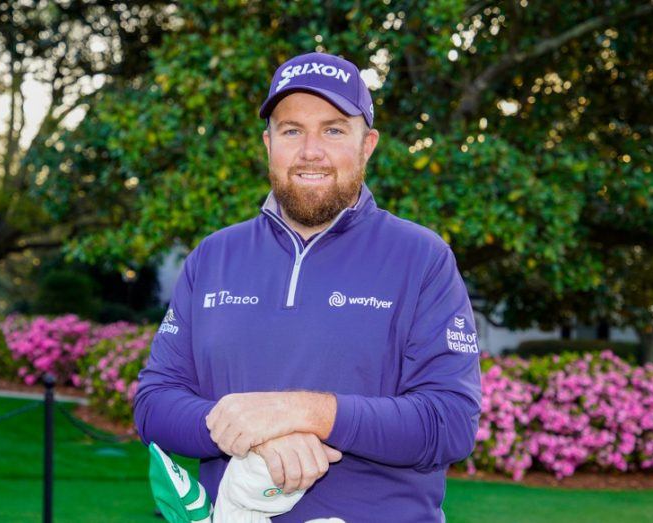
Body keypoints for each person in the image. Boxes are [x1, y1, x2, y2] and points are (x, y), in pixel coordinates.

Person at [134, 51, 482, 522]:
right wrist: (250, 430)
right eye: (291, 130)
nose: (310, 150)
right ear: (268, 143)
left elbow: (449, 422)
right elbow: (154, 403)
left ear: (368, 145)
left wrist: (307, 414)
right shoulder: (213, 257)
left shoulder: (422, 257)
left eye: (334, 129)